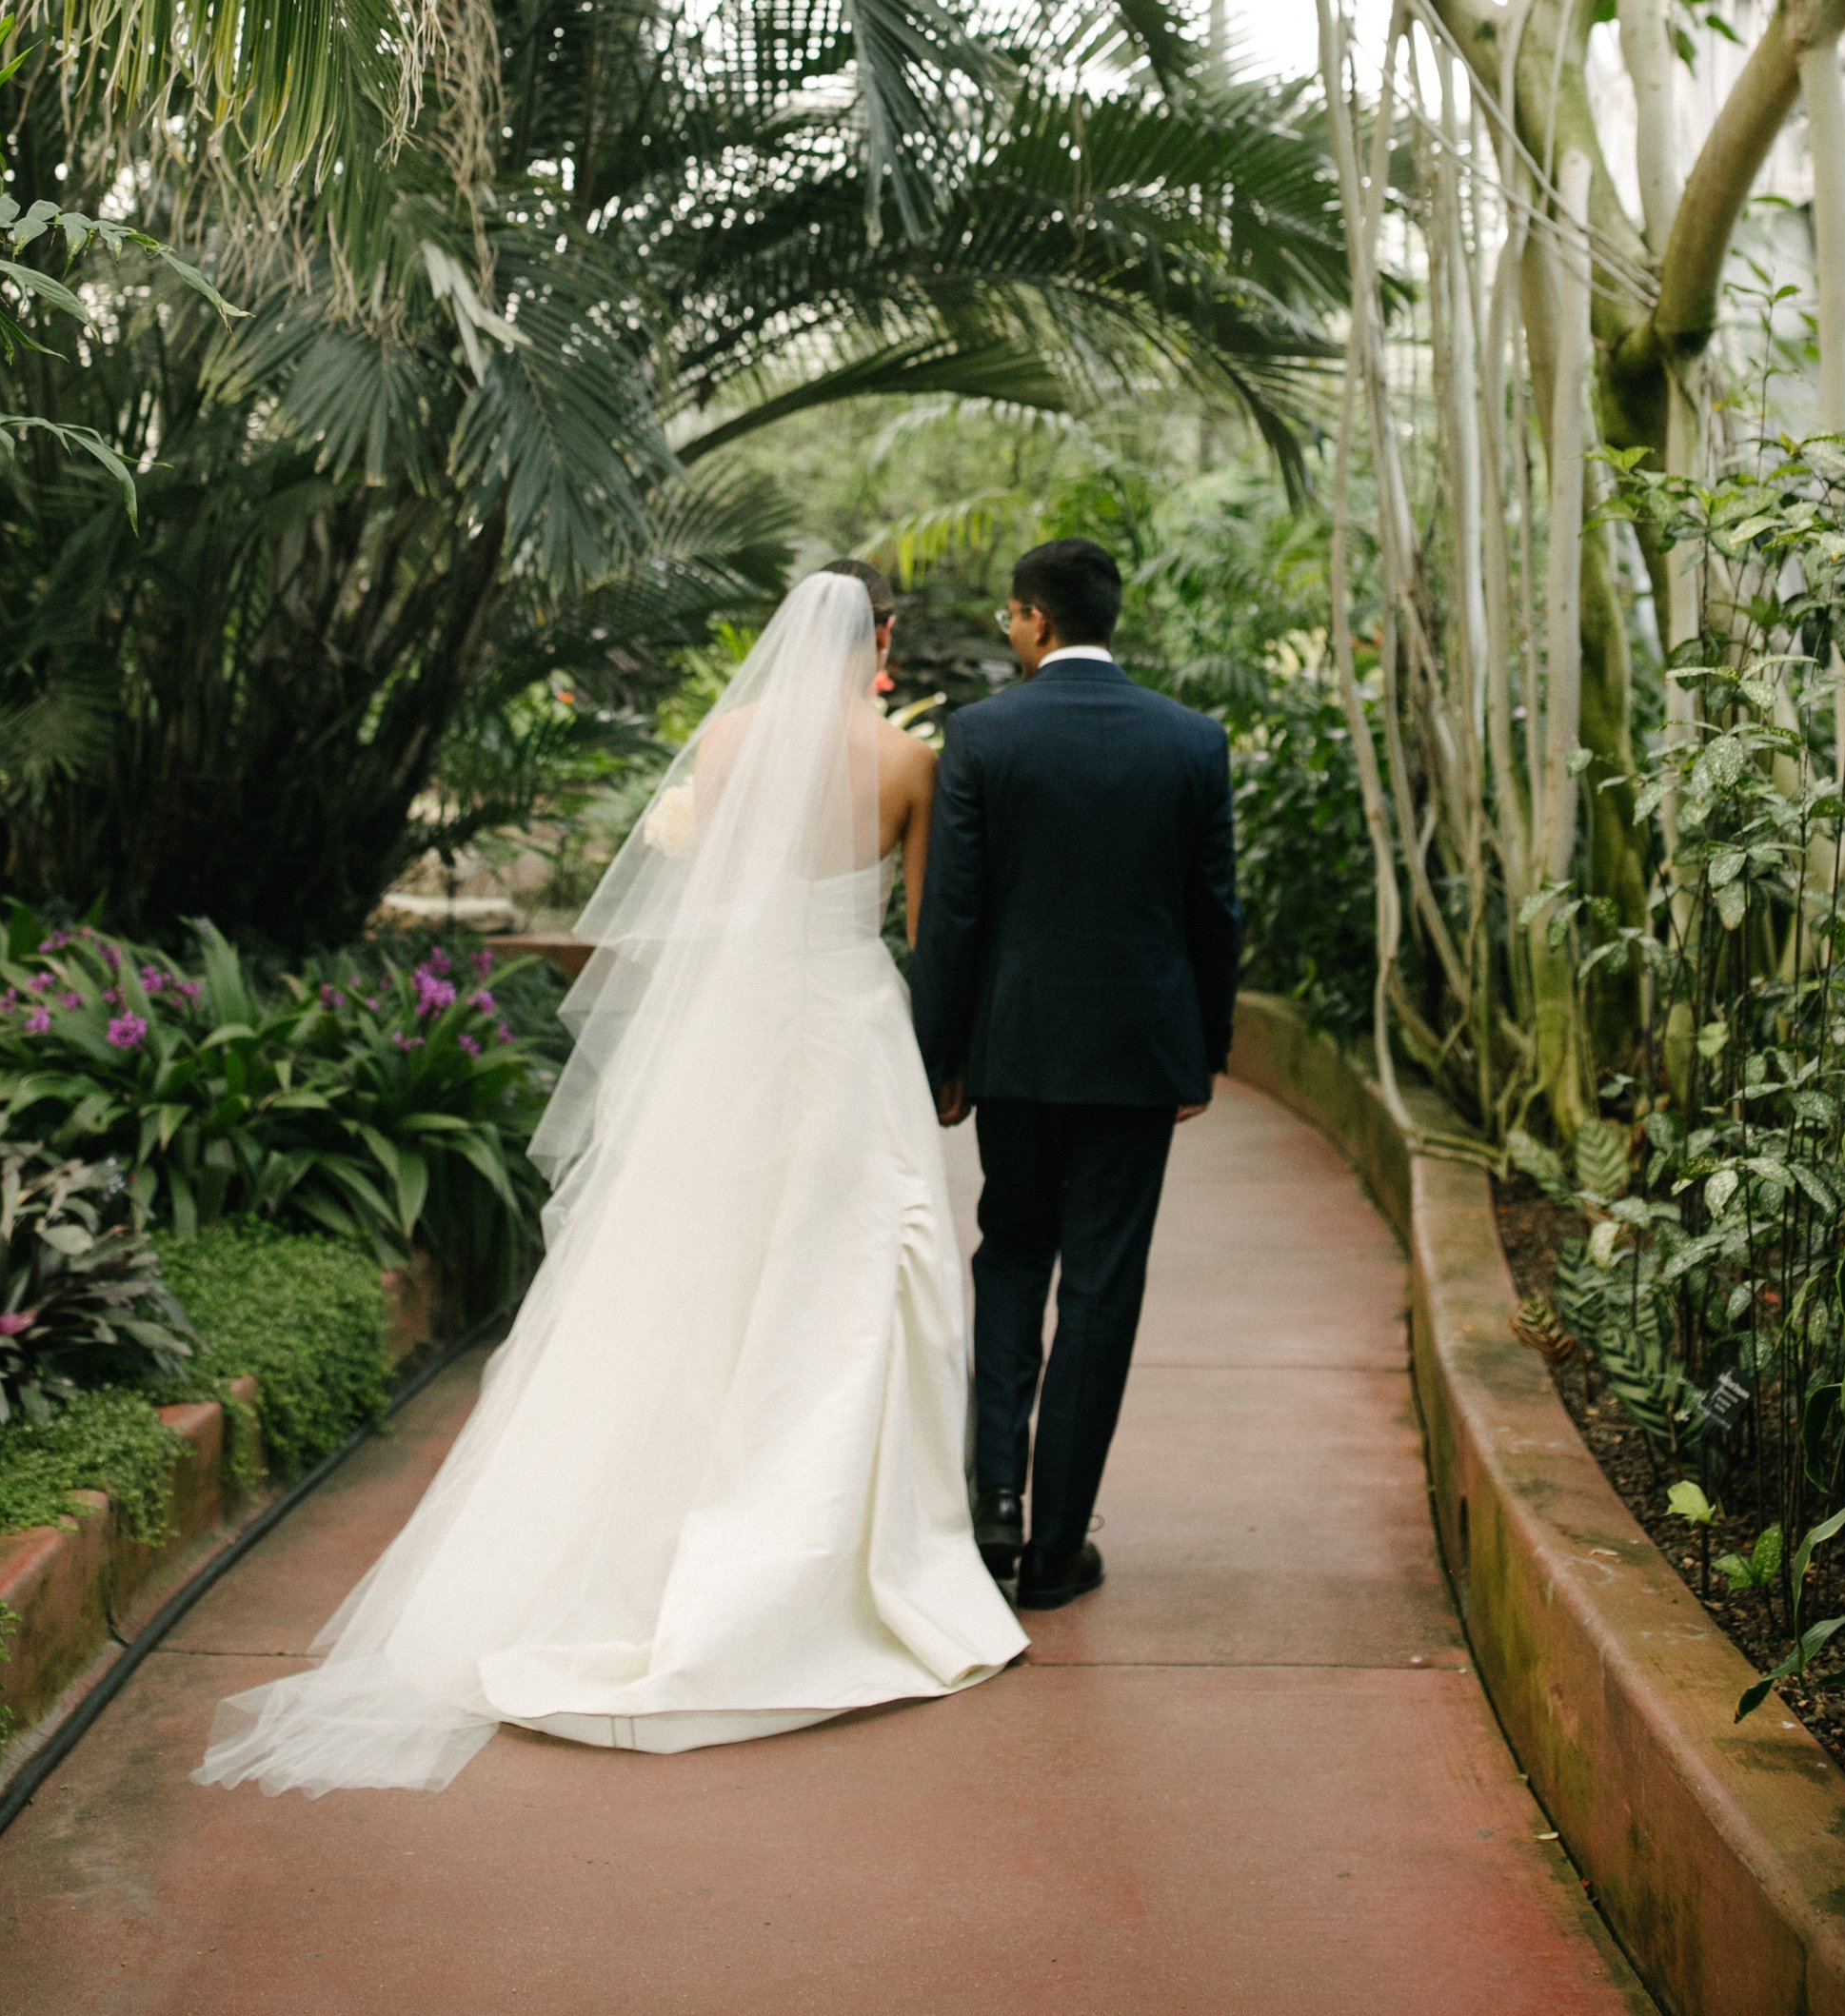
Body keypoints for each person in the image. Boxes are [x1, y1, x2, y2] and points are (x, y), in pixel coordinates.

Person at [195, 564, 1023, 1795]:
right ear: (881, 644)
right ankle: (849, 1544)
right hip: (847, 1020)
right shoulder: (908, 758)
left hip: (736, 1025)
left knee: (697, 1249)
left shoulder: (732, 741)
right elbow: (919, 925)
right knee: (853, 1257)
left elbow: (709, 885)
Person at [909, 536, 1238, 1612]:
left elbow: (953, 916)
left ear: (1038, 621)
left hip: (1015, 1053)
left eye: (1010, 615)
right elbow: (1212, 914)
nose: (1007, 629)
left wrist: (941, 1057)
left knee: (1010, 1257)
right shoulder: (1190, 742)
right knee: (1102, 1287)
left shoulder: (982, 736)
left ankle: (992, 1503)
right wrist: (1204, 1050)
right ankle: (1056, 1547)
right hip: (1139, 1061)